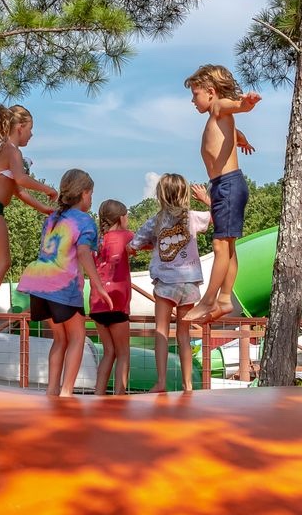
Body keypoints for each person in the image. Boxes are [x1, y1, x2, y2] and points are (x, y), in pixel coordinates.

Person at [0, 104, 56, 338]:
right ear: (20, 127)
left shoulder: (1, 151)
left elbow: (18, 191)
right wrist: (48, 190)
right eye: (31, 129)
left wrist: (45, 209)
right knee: (3, 262)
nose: (32, 134)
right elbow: (22, 179)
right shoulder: (12, 150)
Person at [182, 64, 259, 323]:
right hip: (222, 186)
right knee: (228, 246)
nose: (193, 100)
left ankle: (208, 300)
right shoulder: (217, 120)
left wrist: (246, 104)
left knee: (220, 245)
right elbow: (235, 132)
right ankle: (225, 299)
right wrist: (243, 140)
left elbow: (233, 106)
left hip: (228, 184)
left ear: (211, 92)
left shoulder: (217, 107)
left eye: (195, 94)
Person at [16, 169, 103, 397]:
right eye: (91, 194)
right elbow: (83, 253)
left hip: (39, 282)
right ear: (84, 193)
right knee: (77, 337)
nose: (91, 199)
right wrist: (98, 284)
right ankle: (66, 391)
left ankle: (52, 389)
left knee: (60, 339)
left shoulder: (53, 218)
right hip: (61, 284)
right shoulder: (85, 221)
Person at [130, 173, 213, 393]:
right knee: (184, 335)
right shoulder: (193, 218)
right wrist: (206, 199)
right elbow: (218, 217)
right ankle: (187, 385)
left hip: (167, 281)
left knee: (161, 331)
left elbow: (134, 245)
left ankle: (161, 382)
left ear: (161, 196)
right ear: (185, 194)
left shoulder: (155, 222)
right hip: (189, 282)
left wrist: (152, 245)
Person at [90, 199, 135, 395]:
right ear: (122, 218)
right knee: (123, 352)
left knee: (109, 352)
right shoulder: (126, 236)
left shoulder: (98, 240)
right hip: (117, 303)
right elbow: (147, 243)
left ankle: (98, 393)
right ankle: (119, 395)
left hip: (97, 304)